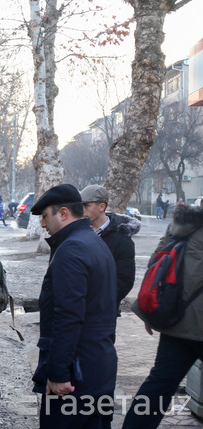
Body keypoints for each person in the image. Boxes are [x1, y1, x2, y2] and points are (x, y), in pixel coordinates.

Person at [30, 184, 117, 428]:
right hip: (97, 366)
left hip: (76, 376)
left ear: (64, 213)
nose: (43, 225)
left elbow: (68, 317)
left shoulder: (71, 249)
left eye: (45, 217)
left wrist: (58, 373)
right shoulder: (92, 241)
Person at [123, 204, 203, 429]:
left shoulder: (180, 225)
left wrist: (153, 313)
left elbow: (156, 264)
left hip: (176, 323)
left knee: (158, 386)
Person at [80, 184, 141, 314]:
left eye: (86, 206)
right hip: (77, 308)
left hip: (103, 311)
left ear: (102, 207)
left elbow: (124, 280)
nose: (82, 210)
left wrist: (101, 302)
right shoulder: (79, 232)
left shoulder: (121, 238)